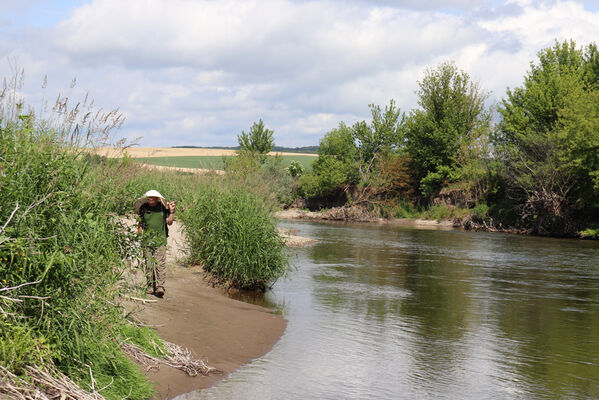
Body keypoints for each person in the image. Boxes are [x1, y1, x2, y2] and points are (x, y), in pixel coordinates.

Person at [134, 190, 175, 298]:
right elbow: (140, 223)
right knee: (148, 264)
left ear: (157, 198)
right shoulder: (144, 208)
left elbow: (169, 222)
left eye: (153, 198)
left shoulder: (162, 208)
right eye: (149, 198)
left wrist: (172, 212)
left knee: (160, 264)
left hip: (160, 240)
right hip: (147, 241)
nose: (150, 199)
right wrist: (139, 237)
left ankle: (160, 287)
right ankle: (150, 286)